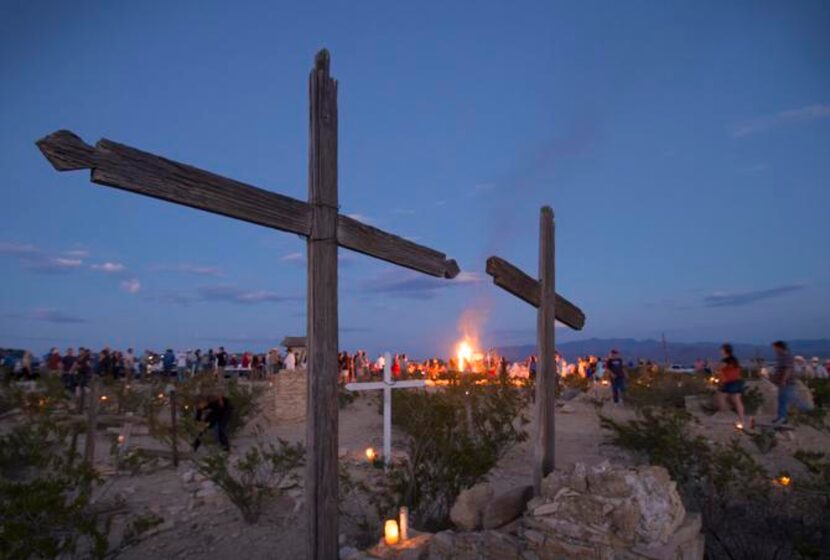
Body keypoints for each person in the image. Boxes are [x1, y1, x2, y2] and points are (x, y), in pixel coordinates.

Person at [715, 344, 745, 426]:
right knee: (737, 400)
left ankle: (725, 415)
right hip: (737, 381)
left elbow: (718, 368)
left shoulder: (727, 360)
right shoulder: (734, 359)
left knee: (720, 397)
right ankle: (741, 419)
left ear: (725, 350)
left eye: (721, 349)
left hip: (730, 382)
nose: (720, 351)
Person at [771, 341, 796, 424]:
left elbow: (787, 369)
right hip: (782, 382)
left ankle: (782, 417)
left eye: (775, 347)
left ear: (779, 347)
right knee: (781, 399)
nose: (774, 349)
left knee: (784, 399)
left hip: (786, 382)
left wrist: (783, 380)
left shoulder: (786, 356)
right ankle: (781, 417)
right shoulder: (781, 356)